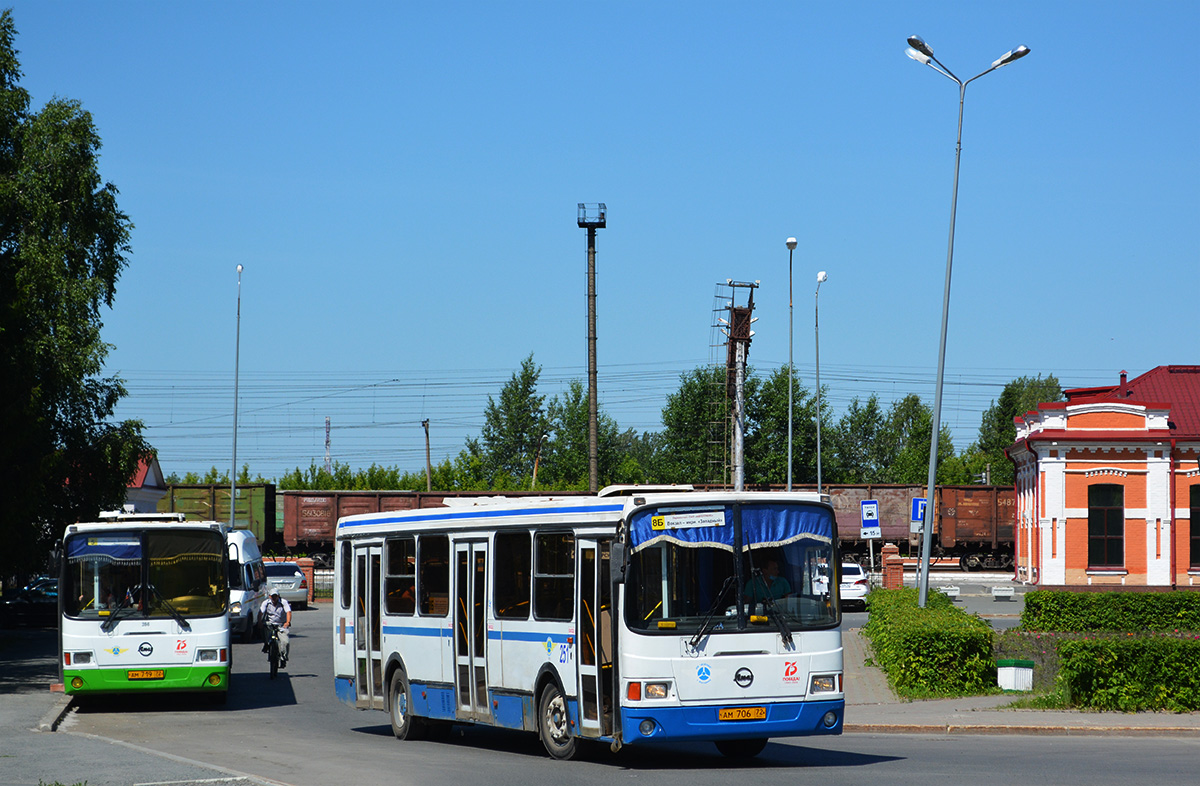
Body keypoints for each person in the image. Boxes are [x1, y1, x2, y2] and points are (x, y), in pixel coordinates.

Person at [260, 588, 292, 666]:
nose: (274, 598)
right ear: (269, 596)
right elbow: (260, 613)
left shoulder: (283, 602)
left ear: (278, 596)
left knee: (285, 642)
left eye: (275, 596)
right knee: (263, 631)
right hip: (270, 624)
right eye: (272, 596)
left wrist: (287, 622)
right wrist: (259, 622)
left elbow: (288, 612)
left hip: (281, 624)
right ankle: (267, 644)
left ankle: (283, 657)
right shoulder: (266, 603)